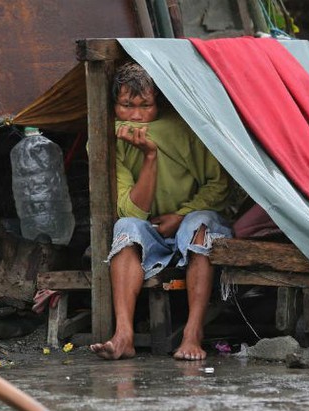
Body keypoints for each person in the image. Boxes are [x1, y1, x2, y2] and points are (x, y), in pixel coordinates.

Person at [90, 62, 231, 361]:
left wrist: (181, 215)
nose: (137, 116)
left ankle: (193, 334)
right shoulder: (108, 140)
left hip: (188, 220)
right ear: (113, 104)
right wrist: (150, 157)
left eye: (146, 106)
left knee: (200, 224)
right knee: (125, 227)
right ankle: (124, 335)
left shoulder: (185, 131)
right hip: (150, 228)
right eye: (126, 106)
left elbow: (218, 186)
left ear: (160, 104)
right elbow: (131, 209)